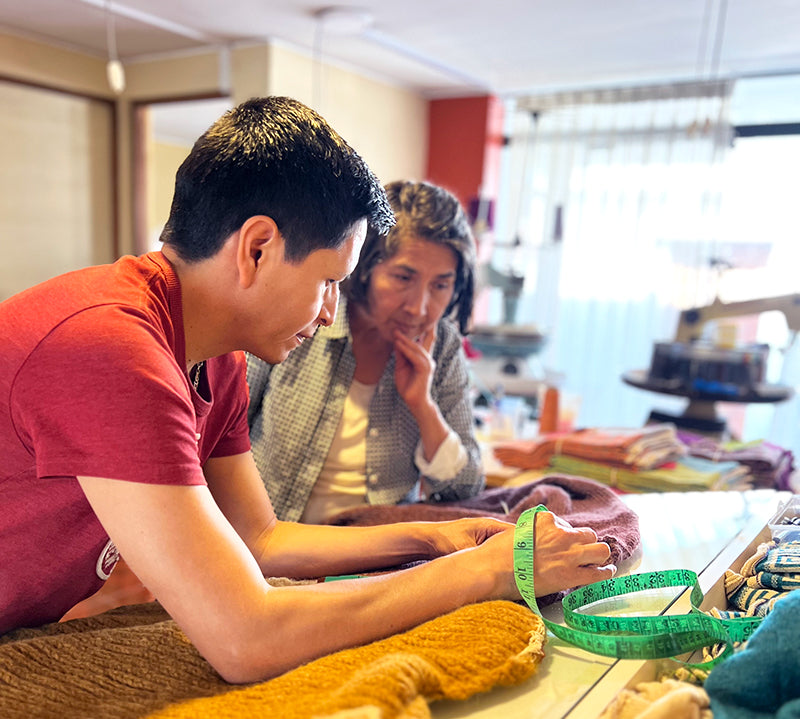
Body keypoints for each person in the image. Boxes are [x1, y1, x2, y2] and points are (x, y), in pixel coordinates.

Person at [0, 96, 615, 684]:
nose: (329, 312)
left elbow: (260, 538)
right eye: (328, 281)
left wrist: (435, 536)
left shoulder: (216, 357)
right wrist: (483, 572)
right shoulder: (109, 346)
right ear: (257, 248)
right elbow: (245, 637)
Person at [247, 180, 483, 524]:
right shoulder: (305, 315)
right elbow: (218, 435)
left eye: (441, 285)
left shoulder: (443, 347)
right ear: (365, 266)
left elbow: (466, 489)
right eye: (404, 278)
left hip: (380, 556)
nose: (419, 308)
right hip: (274, 545)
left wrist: (423, 405)